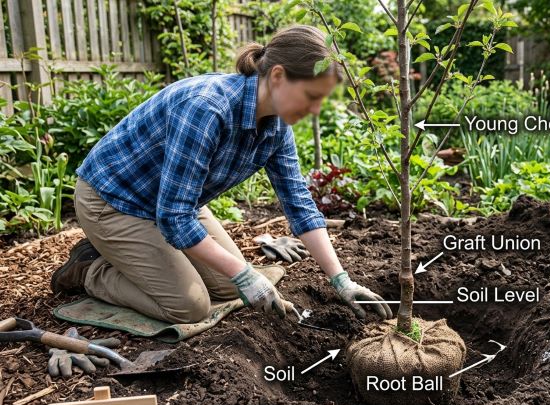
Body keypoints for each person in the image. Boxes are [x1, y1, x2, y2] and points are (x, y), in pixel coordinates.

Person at [50, 25, 392, 324]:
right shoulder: (206, 108)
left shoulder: (276, 128)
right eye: (311, 96)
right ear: (277, 76)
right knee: (189, 305)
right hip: (114, 201)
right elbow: (174, 218)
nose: (315, 109)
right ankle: (88, 269)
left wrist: (342, 281)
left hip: (174, 201)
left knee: (230, 286)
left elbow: (299, 205)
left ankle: (143, 258)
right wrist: (245, 274)